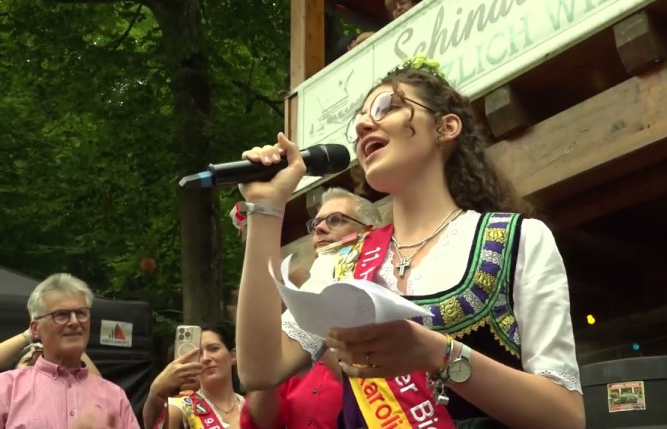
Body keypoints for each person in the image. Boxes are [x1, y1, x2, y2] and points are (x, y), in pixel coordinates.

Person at [235, 55, 584, 428]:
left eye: (386, 107)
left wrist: (438, 354)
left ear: (446, 127)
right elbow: (260, 368)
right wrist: (266, 208)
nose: (363, 124)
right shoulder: (341, 262)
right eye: (359, 120)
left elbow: (566, 417)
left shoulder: (517, 239)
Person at [240, 187, 382, 429]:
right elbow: (259, 374)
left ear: (367, 232)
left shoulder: (393, 272)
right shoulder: (316, 284)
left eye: (336, 220)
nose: (320, 229)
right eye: (316, 224)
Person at [0, 273, 138, 428]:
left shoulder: (115, 397)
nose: (74, 321)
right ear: (35, 328)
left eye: (81, 313)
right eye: (61, 315)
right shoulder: (6, 389)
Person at [144, 324, 244, 429]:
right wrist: (156, 391)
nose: (205, 358)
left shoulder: (250, 407)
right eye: (199, 353)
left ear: (233, 355)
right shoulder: (181, 407)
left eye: (214, 349)